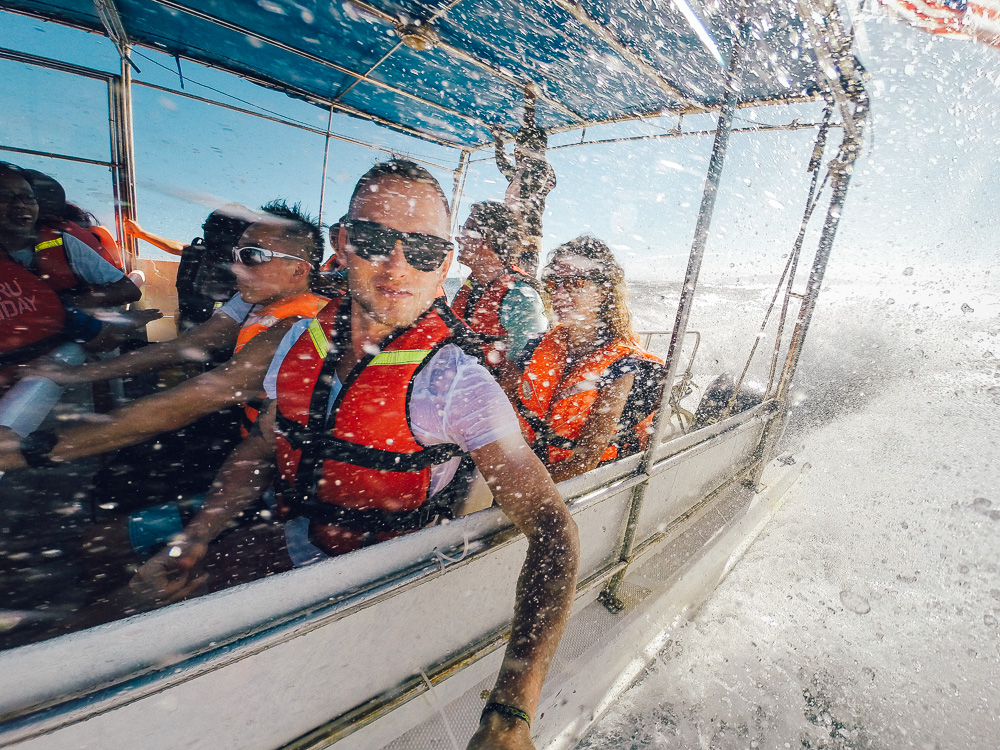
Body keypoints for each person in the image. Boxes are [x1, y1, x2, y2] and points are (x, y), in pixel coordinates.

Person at [129, 159, 580, 750]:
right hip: (297, 535)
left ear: (444, 262)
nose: (397, 265)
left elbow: (553, 530)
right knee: (129, 601)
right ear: (343, 244)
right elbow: (260, 445)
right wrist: (198, 536)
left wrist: (511, 712)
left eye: (423, 250)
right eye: (372, 240)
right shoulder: (302, 341)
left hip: (383, 581)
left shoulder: (456, 383)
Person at [0, 203, 332, 471]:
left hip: (274, 465)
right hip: (246, 436)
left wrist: (28, 450)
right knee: (128, 469)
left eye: (252, 256)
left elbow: (190, 401)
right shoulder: (254, 298)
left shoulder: (300, 325)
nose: (235, 267)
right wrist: (75, 374)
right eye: (236, 254)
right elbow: (189, 345)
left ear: (298, 270)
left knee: (116, 504)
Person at [516, 236, 665, 483]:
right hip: (524, 468)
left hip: (575, 487)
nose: (559, 294)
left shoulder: (621, 366)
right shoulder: (536, 346)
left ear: (603, 292)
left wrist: (520, 488)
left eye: (574, 283)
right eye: (554, 283)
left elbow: (585, 460)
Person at [0, 163, 140, 310]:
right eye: (4, 196)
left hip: (74, 321)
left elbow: (128, 290)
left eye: (28, 197)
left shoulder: (66, 243)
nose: (20, 205)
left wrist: (66, 305)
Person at [452, 201, 548, 394]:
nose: (458, 238)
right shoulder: (472, 287)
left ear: (487, 241)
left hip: (491, 403)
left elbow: (517, 375)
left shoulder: (520, 297)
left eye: (466, 231)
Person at [492, 85, 557, 274]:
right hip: (514, 238)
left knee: (522, 282)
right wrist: (498, 141)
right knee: (508, 282)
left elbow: (529, 129)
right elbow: (502, 164)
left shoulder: (541, 169)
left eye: (518, 147)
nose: (515, 151)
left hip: (527, 240)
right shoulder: (520, 174)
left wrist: (530, 104)